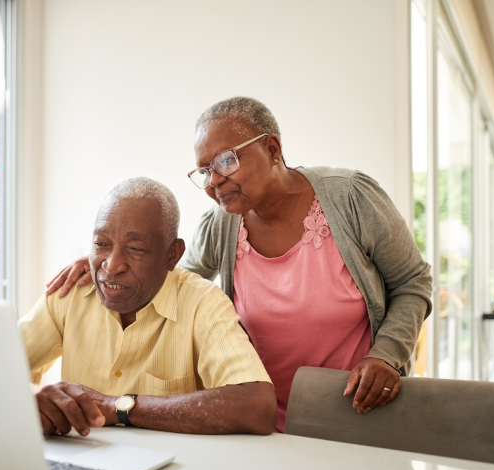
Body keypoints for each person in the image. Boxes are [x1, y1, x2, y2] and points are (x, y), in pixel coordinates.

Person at [47, 98, 433, 433]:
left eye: (226, 161)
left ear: (272, 148)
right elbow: (174, 279)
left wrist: (386, 354)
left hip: (355, 408)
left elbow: (413, 281)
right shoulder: (223, 224)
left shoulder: (350, 198)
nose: (214, 181)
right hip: (257, 418)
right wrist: (110, 255)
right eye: (204, 171)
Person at [21, 177, 276, 437]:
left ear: (172, 255)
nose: (111, 265)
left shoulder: (203, 303)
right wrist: (38, 402)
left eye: (135, 248)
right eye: (101, 244)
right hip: (84, 463)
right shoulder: (70, 293)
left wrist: (116, 407)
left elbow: (257, 407)